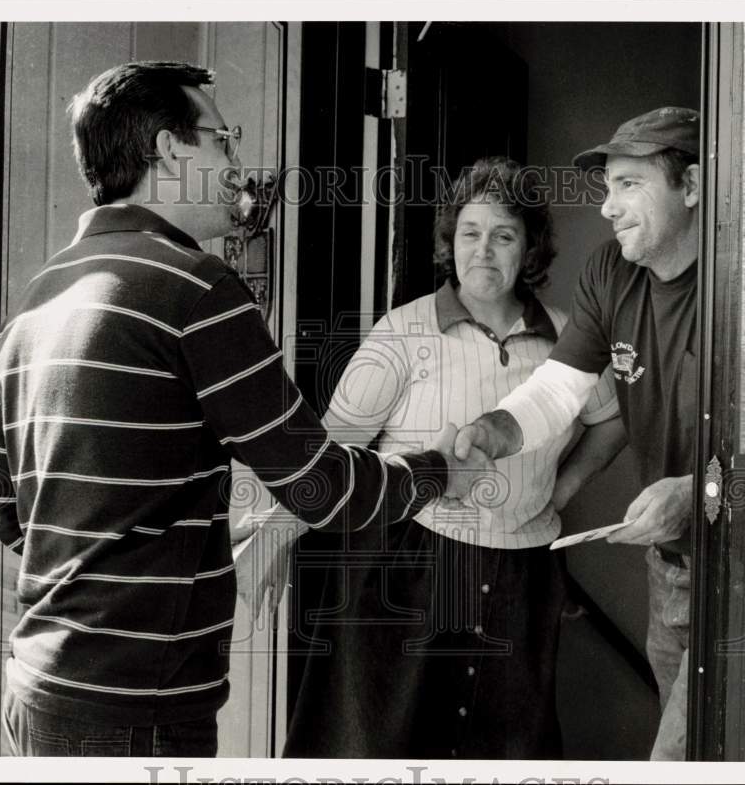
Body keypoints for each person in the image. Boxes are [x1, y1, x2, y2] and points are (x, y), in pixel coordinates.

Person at [0, 60, 488, 758]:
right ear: (169, 148)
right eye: (225, 141)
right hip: (134, 715)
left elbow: (18, 520)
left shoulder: (37, 296)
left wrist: (182, 537)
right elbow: (322, 487)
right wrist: (439, 473)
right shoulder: (196, 290)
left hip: (36, 692)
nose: (240, 165)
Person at [238, 157, 626, 759]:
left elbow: (612, 421)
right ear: (451, 242)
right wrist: (274, 536)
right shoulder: (402, 333)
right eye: (470, 233)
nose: (484, 252)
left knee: (501, 750)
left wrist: (561, 492)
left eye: (504, 235)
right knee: (383, 744)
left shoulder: (567, 339)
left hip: (523, 573)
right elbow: (329, 458)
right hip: (411, 564)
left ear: (530, 250)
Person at [455, 107, 701, 760]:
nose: (607, 207)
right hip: (671, 571)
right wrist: (496, 430)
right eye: (606, 187)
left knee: (678, 761)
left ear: (693, 187)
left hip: (742, 573)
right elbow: (561, 390)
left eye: (629, 185)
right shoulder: (610, 273)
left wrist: (698, 491)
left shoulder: (744, 284)